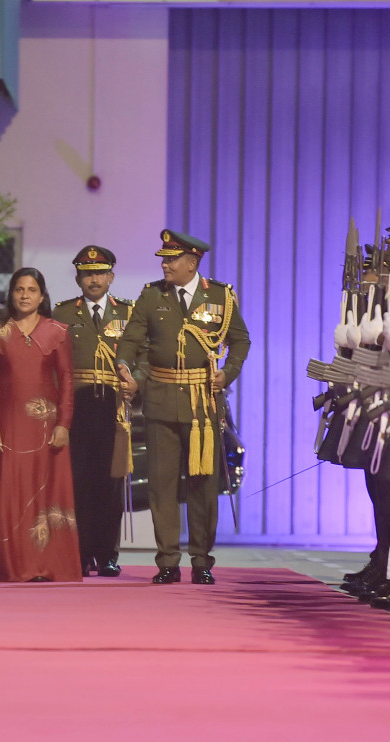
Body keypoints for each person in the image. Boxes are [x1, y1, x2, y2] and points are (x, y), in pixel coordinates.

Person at [116, 229, 251, 585]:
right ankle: (168, 562)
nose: (164, 265)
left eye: (171, 259)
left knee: (203, 485)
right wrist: (124, 366)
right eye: (164, 259)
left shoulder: (220, 296)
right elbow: (131, 339)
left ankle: (202, 561)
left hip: (202, 405)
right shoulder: (151, 295)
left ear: (192, 263)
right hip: (160, 400)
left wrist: (228, 373)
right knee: (161, 485)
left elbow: (240, 340)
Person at [0, 267, 81, 582]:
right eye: (19, 289)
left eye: (31, 290)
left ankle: (45, 565)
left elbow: (66, 380)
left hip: (46, 426)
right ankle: (9, 565)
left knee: (45, 491)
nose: (25, 296)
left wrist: (63, 424)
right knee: (8, 491)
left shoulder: (57, 331)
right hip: (7, 425)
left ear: (42, 295)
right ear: (11, 294)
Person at [52, 245, 137, 577]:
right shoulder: (62, 314)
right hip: (77, 407)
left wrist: (137, 383)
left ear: (111, 277)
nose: (94, 279)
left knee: (111, 483)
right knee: (79, 482)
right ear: (78, 278)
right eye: (87, 274)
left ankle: (107, 554)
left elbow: (142, 358)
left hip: (113, 408)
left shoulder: (128, 313)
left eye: (100, 273)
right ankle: (81, 552)